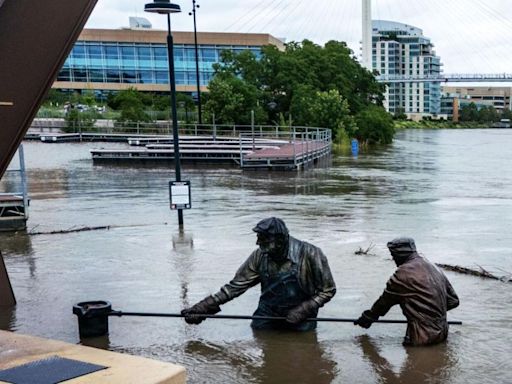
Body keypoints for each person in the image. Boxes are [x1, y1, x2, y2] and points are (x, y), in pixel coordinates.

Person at [181, 217, 336, 331]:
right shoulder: (259, 255)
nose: (258, 244)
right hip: (267, 313)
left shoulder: (311, 254)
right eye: (258, 239)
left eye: (264, 240)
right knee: (262, 341)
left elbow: (328, 290)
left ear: (281, 240)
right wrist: (203, 307)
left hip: (301, 316)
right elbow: (234, 287)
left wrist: (305, 308)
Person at [354, 237, 459, 346]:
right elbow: (453, 301)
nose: (393, 259)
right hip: (443, 333)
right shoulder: (434, 267)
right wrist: (432, 315)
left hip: (421, 337)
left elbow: (384, 302)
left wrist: (368, 318)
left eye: (393, 255)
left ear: (400, 254)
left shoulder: (402, 275)